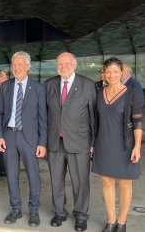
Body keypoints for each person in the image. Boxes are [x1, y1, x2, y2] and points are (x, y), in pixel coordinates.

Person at [45, 52, 97, 231]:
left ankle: (81, 215)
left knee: (80, 182)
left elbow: (93, 117)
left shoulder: (88, 85)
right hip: (54, 142)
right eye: (60, 63)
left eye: (67, 63)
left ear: (74, 65)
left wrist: (93, 143)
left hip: (80, 142)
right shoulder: (49, 84)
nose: (63, 66)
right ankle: (59, 212)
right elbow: (44, 115)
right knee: (56, 181)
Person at [0, 51, 47, 227]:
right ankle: (15, 209)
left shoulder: (38, 88)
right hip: (9, 135)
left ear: (28, 66)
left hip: (29, 138)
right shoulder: (5, 86)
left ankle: (33, 211)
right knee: (11, 175)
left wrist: (42, 142)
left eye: (20, 64)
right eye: (14, 64)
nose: (17, 68)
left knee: (33, 175)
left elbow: (43, 118)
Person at [92, 58, 143, 232]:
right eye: (108, 72)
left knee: (125, 184)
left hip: (125, 145)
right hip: (103, 144)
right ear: (103, 74)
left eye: (115, 71)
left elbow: (137, 122)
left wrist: (137, 146)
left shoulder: (131, 94)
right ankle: (111, 220)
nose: (111, 75)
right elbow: (94, 121)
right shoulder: (98, 93)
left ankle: (122, 222)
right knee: (106, 182)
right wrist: (92, 143)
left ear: (122, 72)